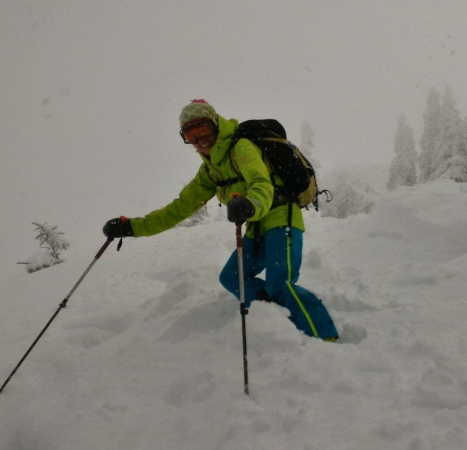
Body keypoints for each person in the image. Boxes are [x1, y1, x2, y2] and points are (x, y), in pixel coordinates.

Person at [103, 99, 338, 342]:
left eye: (203, 132)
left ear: (215, 125)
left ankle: (325, 336)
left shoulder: (241, 148)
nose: (200, 143)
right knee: (232, 277)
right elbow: (178, 209)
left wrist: (250, 205)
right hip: (256, 225)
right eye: (191, 137)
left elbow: (261, 184)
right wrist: (132, 227)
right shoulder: (210, 171)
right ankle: (277, 317)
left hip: (282, 215)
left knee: (280, 282)